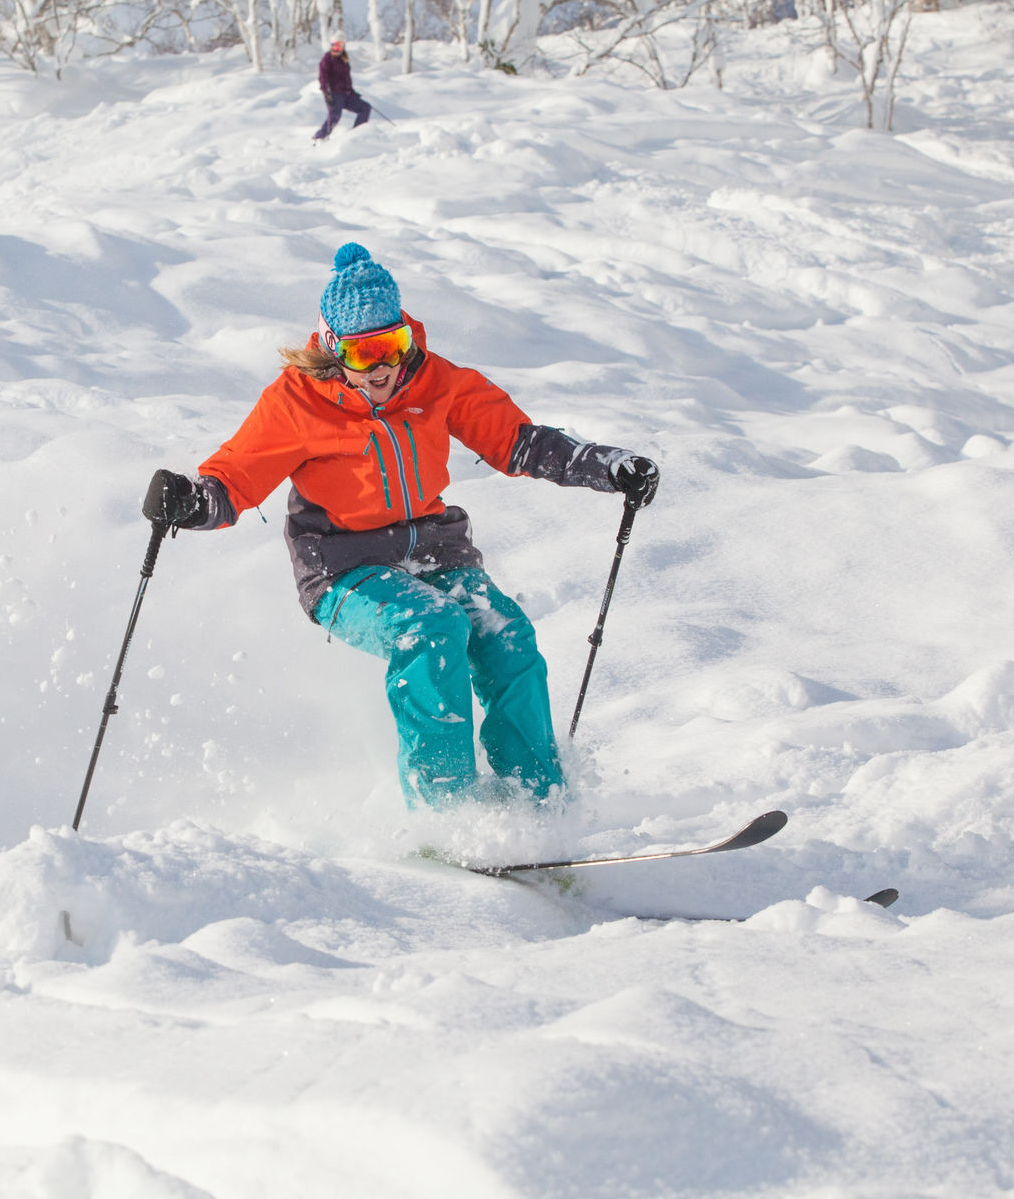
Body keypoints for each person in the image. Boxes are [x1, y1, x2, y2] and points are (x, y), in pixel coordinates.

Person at [142, 243, 659, 809]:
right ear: (333, 350)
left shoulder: (436, 382)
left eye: (393, 345)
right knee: (431, 629)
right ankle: (448, 815)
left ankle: (538, 804)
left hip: (436, 552)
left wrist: (603, 466)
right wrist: (192, 501)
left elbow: (518, 441)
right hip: (341, 568)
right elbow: (234, 479)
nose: (384, 366)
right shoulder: (297, 402)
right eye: (365, 354)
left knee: (507, 637)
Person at [312, 41, 371, 142]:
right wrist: (326, 93)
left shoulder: (344, 59)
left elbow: (346, 78)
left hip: (346, 94)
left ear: (342, 49)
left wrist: (351, 91)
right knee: (334, 116)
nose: (335, 51)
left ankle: (356, 134)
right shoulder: (327, 59)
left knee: (365, 108)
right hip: (334, 94)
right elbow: (323, 77)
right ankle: (319, 137)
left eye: (338, 48)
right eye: (333, 48)